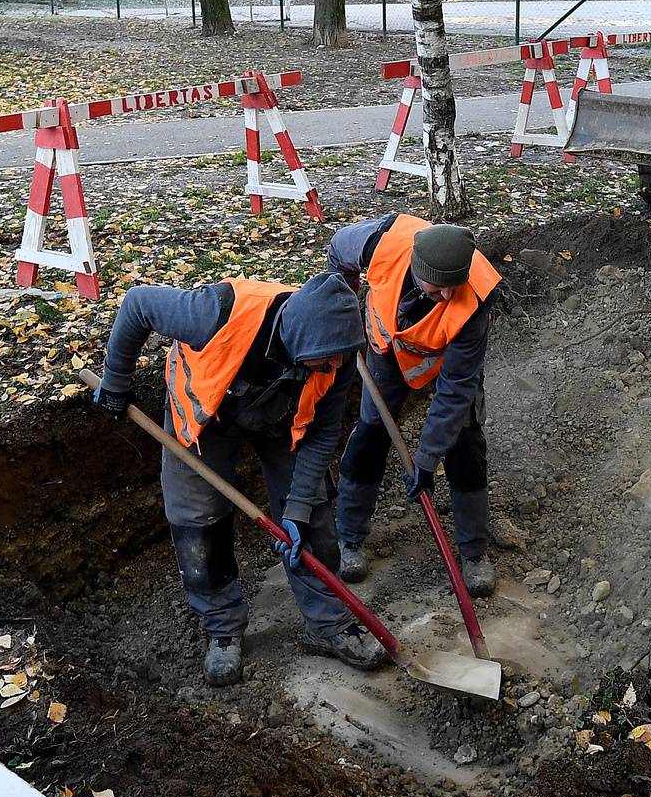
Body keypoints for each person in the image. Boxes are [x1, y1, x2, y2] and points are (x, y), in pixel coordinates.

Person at [93, 271, 388, 686]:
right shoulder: (211, 313)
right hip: (205, 412)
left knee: (316, 514)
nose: (334, 368)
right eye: (325, 362)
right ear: (297, 341)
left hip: (282, 418)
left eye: (339, 360)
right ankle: (222, 628)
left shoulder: (335, 354)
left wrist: (298, 510)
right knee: (198, 524)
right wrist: (115, 382)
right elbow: (138, 302)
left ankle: (329, 623)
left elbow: (321, 435)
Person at [326, 215, 502, 595]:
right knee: (370, 434)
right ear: (417, 270)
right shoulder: (379, 243)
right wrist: (342, 303)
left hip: (446, 356)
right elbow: (337, 251)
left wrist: (426, 458)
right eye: (437, 290)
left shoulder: (477, 294)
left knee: (465, 440)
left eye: (453, 288)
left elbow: (455, 388)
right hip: (386, 348)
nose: (446, 298)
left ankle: (474, 552)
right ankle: (349, 537)